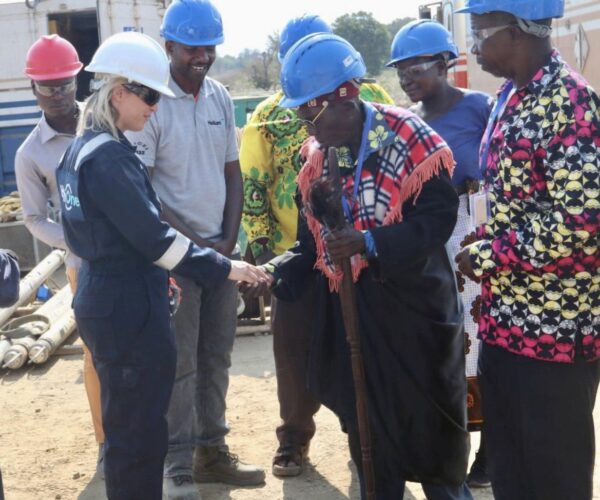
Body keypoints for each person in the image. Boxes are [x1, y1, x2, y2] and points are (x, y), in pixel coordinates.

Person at [246, 33, 473, 499]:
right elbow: (311, 245)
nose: (305, 123)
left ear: (344, 97)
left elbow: (437, 221)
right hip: (355, 322)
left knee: (434, 439)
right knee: (369, 439)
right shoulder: (316, 159)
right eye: (301, 111)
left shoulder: (409, 138)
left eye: (311, 110)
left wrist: (370, 241)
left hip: (416, 317)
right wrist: (272, 272)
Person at [56, 31, 267, 500]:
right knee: (139, 434)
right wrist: (225, 267)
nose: (156, 106)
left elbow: (84, 232)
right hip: (127, 304)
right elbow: (155, 238)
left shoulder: (79, 151)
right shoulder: (110, 158)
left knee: (127, 424)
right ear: (118, 93)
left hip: (104, 295)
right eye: (149, 95)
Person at [454, 1, 600, 499]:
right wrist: (484, 240)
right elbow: (515, 202)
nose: (471, 47)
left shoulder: (570, 104)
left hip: (555, 333)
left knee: (554, 475)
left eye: (478, 33)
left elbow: (578, 222)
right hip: (506, 324)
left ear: (516, 32)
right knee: (512, 472)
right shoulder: (509, 97)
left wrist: (490, 255)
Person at [239, 13, 394, 478]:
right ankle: (293, 439)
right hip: (300, 253)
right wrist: (265, 252)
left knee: (362, 348)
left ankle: (360, 434)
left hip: (362, 252)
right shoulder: (268, 117)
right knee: (293, 352)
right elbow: (255, 183)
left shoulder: (375, 99)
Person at [126, 1, 265, 497]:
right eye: (192, 48)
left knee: (217, 356)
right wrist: (199, 246)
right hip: (176, 260)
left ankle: (213, 451)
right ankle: (179, 461)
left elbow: (233, 169)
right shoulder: (151, 102)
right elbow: (144, 190)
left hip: (220, 256)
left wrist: (226, 244)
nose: (202, 56)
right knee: (181, 362)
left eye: (209, 47)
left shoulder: (221, 98)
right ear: (169, 47)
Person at [386, 19, 493, 489]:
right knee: (445, 348)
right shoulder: (408, 123)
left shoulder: (480, 109)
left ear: (446, 64)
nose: (409, 78)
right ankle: (451, 454)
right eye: (402, 71)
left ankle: (491, 454)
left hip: (477, 243)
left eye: (417, 67)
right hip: (432, 249)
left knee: (482, 346)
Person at [14, 35, 106, 473]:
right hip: (85, 267)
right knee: (97, 353)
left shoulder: (105, 120)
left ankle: (154, 435)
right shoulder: (31, 153)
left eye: (65, 84)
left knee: (147, 347)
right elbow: (33, 218)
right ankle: (107, 442)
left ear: (77, 79)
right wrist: (78, 241)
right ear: (32, 89)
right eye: (47, 87)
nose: (58, 94)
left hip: (135, 256)